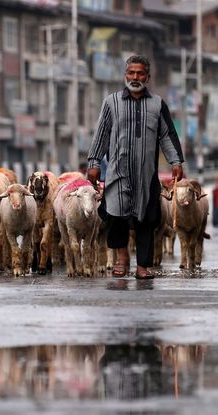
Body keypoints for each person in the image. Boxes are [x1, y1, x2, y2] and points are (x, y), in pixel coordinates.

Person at [87, 55, 185, 279]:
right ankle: (122, 259)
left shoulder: (157, 104)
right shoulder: (111, 102)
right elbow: (101, 133)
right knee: (116, 216)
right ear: (125, 75)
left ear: (148, 77)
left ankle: (143, 265)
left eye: (140, 73)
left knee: (146, 220)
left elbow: (167, 135)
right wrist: (93, 163)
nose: (135, 77)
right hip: (117, 172)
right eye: (131, 73)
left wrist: (176, 161)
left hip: (145, 174)